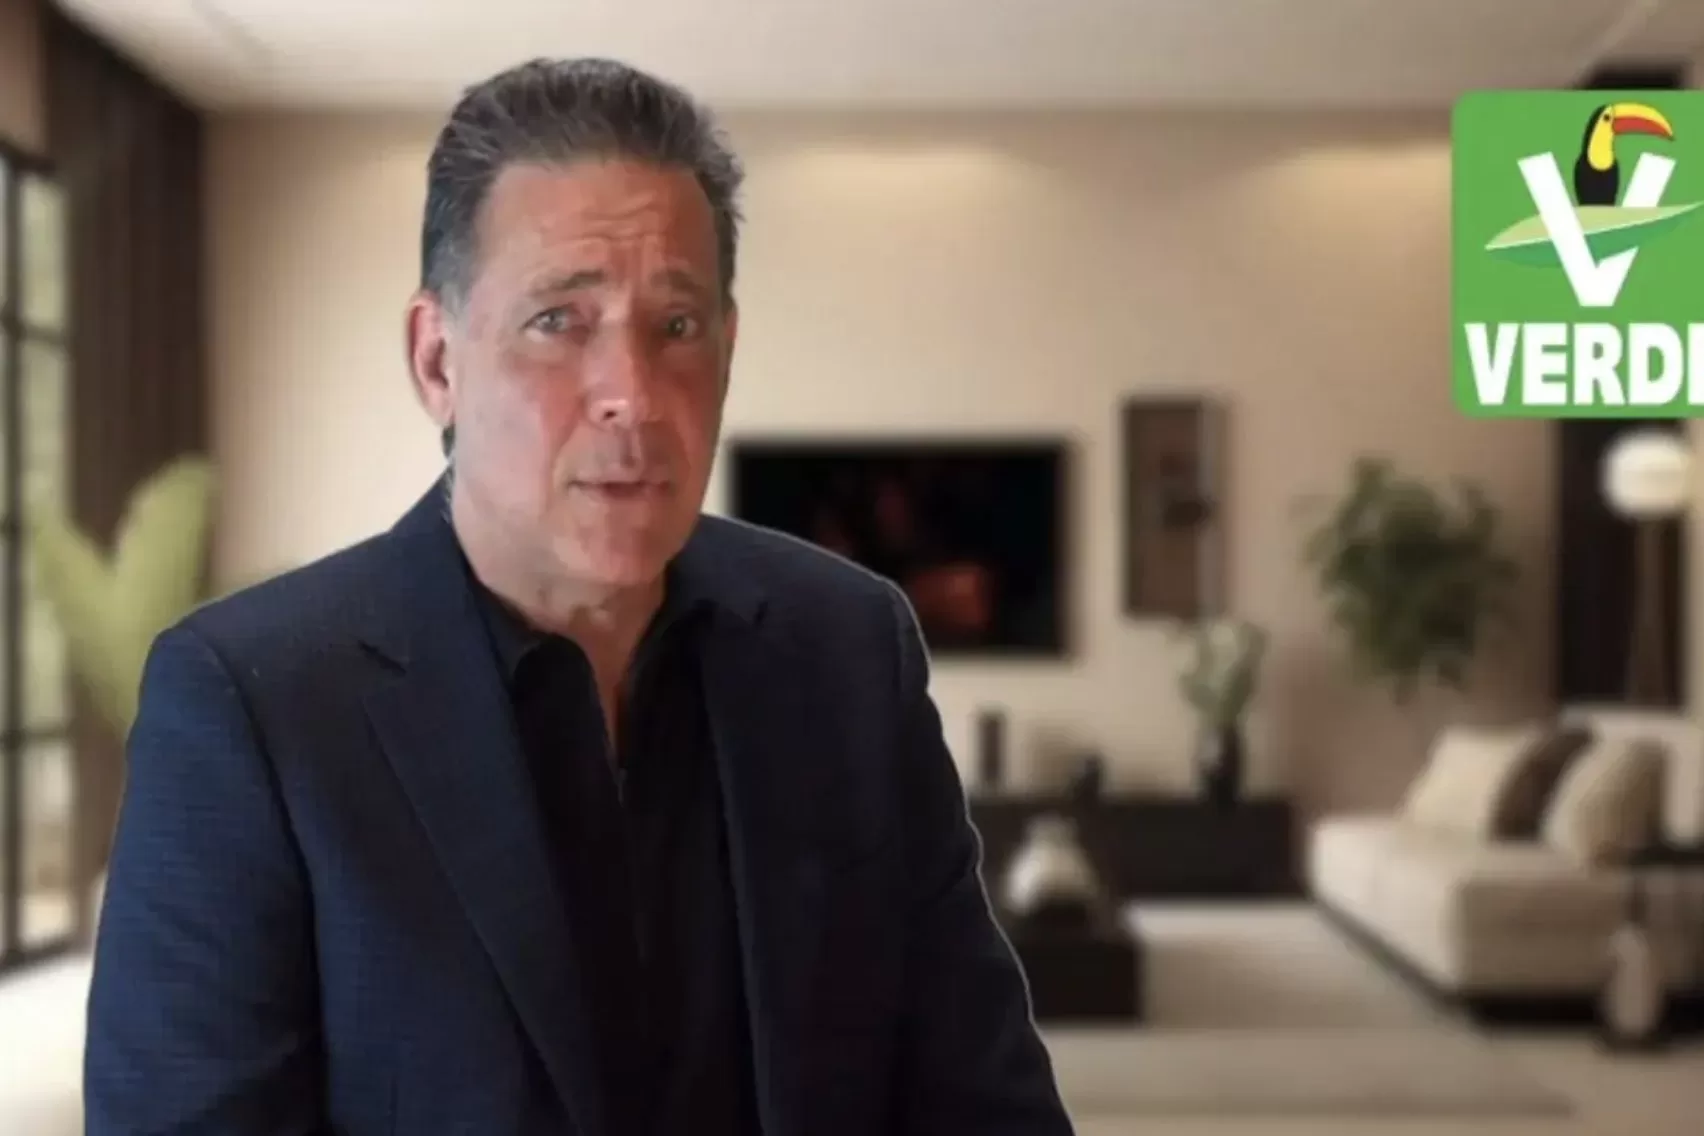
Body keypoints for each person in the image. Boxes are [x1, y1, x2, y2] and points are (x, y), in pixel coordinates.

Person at [84, 57, 1074, 1136]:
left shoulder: (848, 645)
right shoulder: (250, 704)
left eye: (676, 327)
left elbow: (987, 1105)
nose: (632, 397)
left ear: (728, 351)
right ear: (437, 360)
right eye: (559, 320)